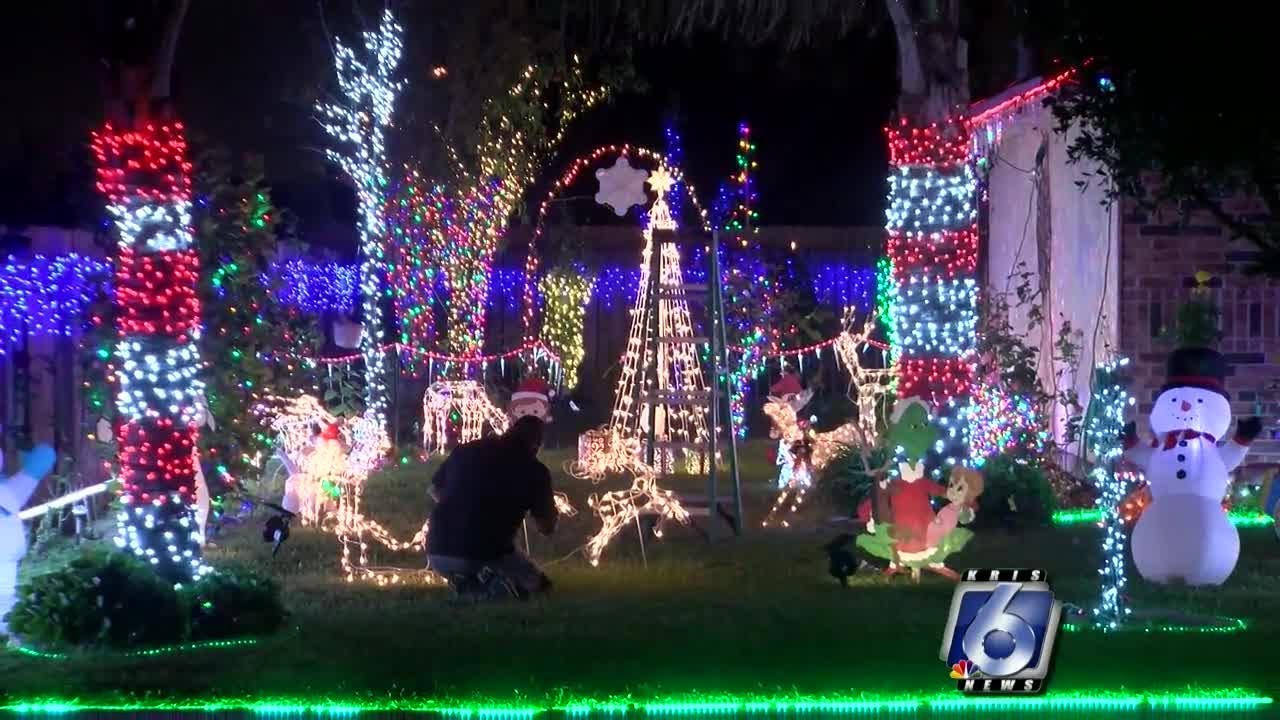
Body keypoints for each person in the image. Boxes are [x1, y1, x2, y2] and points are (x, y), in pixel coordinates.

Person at [426, 416, 558, 599]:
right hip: (488, 551)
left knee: (499, 558)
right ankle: (492, 585)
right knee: (540, 588)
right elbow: (546, 527)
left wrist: (462, 510)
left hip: (437, 549)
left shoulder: (467, 450)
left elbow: (434, 489)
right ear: (537, 444)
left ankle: (469, 582)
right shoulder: (535, 471)